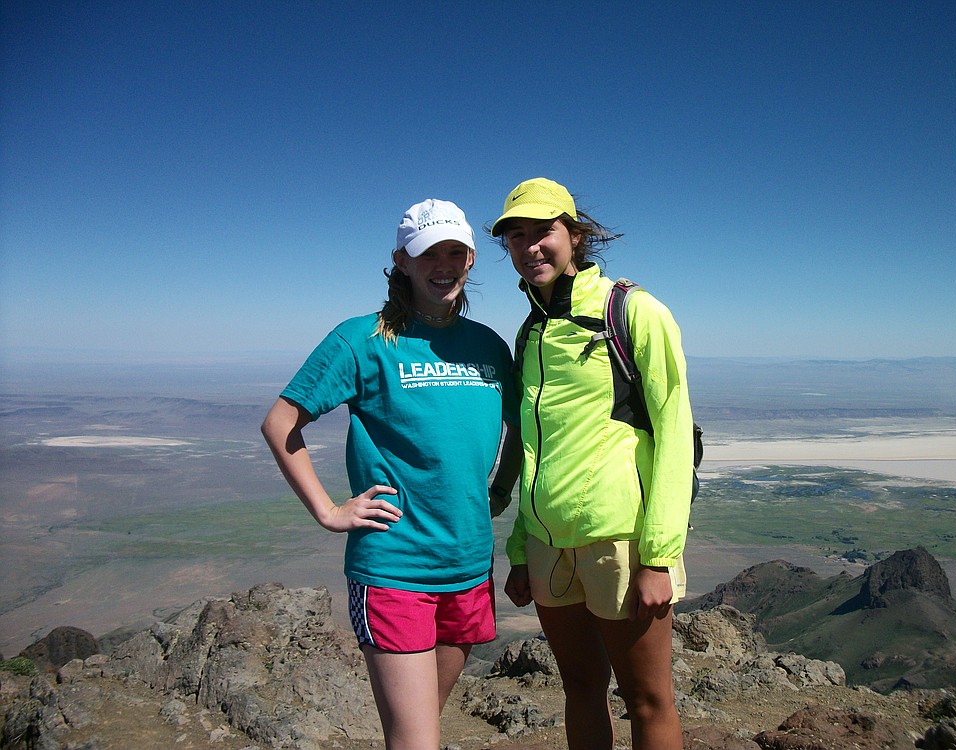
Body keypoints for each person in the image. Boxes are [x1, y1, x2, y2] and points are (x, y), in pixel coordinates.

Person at [261, 198, 518, 750]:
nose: (443, 265)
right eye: (428, 254)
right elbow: (281, 421)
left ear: (471, 258)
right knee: (417, 742)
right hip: (394, 567)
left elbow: (521, 427)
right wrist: (330, 511)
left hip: (468, 566)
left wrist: (501, 488)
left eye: (455, 251)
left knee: (422, 727)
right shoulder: (362, 340)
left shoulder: (490, 348)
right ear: (401, 260)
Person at [488, 177, 694, 750]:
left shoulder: (633, 312)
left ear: (575, 236)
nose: (530, 247)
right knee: (579, 687)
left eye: (543, 232)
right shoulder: (529, 333)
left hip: (622, 542)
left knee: (647, 699)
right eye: (516, 236)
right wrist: (523, 551)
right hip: (551, 545)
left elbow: (675, 434)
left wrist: (660, 557)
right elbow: (532, 448)